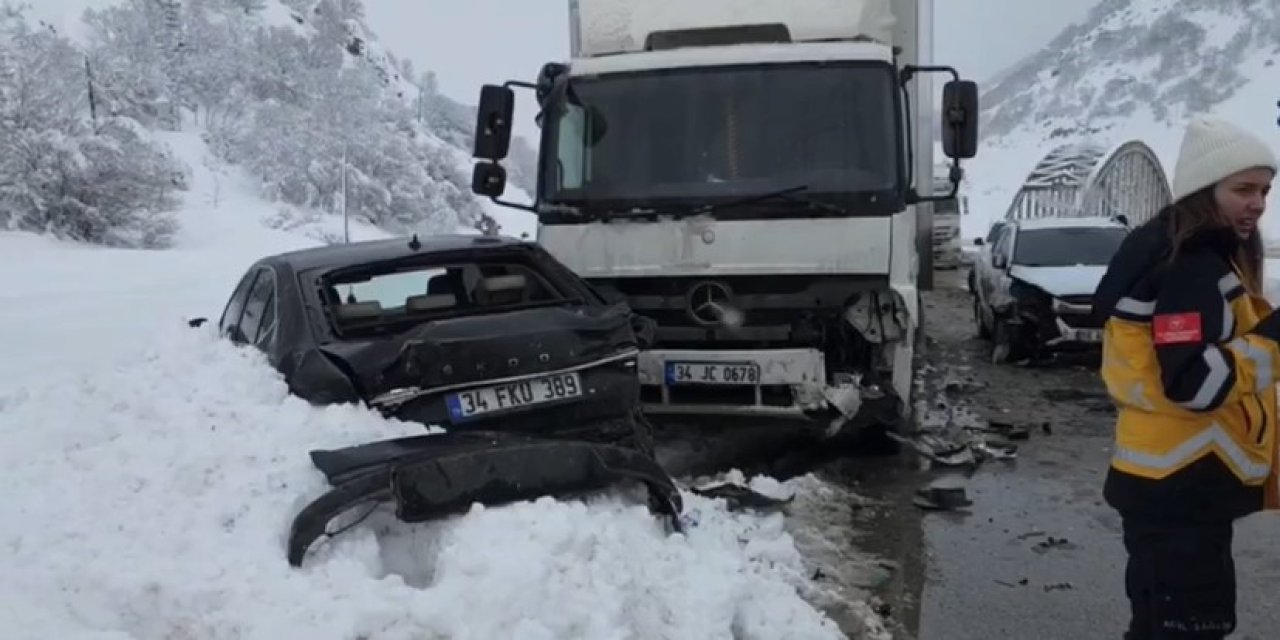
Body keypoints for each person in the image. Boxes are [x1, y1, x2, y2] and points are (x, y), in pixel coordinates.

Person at [1093, 115, 1277, 638]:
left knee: (1158, 627)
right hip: (1183, 491)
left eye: (1264, 190)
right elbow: (1193, 384)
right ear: (1204, 187)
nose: (1258, 203)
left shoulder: (1169, 250)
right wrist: (1272, 343)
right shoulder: (1189, 266)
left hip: (1169, 489)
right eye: (1243, 189)